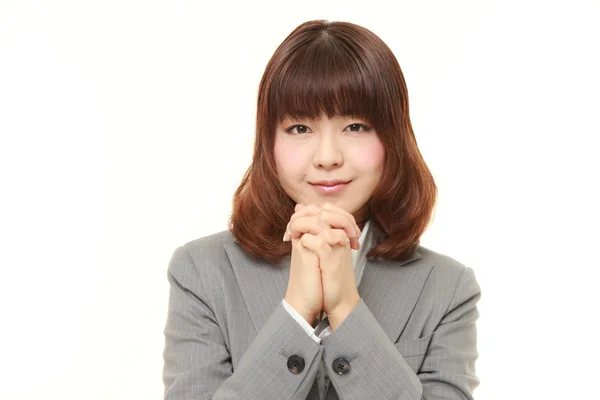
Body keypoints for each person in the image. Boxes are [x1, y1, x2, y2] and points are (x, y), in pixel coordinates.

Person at [162, 19, 481, 400]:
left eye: (356, 126)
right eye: (299, 128)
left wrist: (346, 308)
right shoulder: (202, 272)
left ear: (392, 138)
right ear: (269, 142)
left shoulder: (446, 288)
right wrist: (296, 313)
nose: (327, 157)